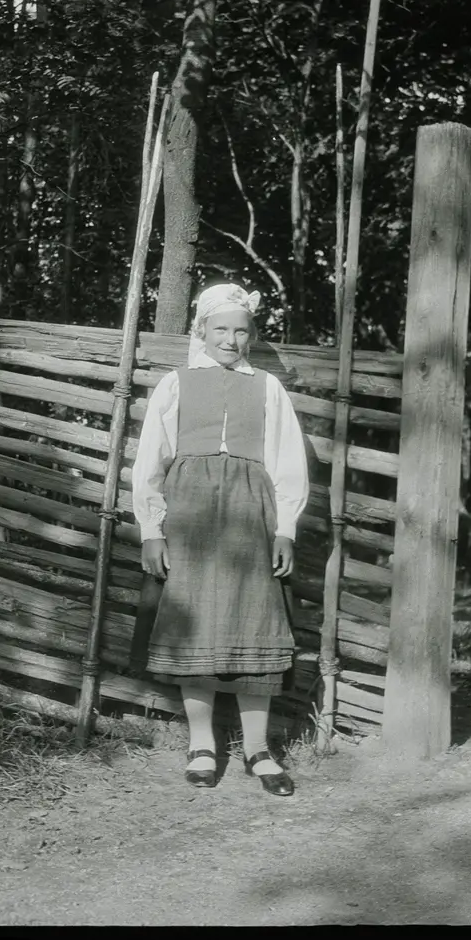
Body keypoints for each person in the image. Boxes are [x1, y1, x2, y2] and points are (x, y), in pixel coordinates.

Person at [132, 283, 310, 796]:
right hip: (188, 515)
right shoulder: (176, 384)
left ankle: (258, 750)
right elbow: (150, 461)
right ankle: (202, 745)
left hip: (252, 515)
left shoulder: (268, 389)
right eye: (221, 329)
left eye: (241, 331)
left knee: (256, 622)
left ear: (252, 335)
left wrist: (285, 528)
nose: (230, 340)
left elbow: (289, 462)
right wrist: (151, 530)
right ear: (201, 330)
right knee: (196, 625)